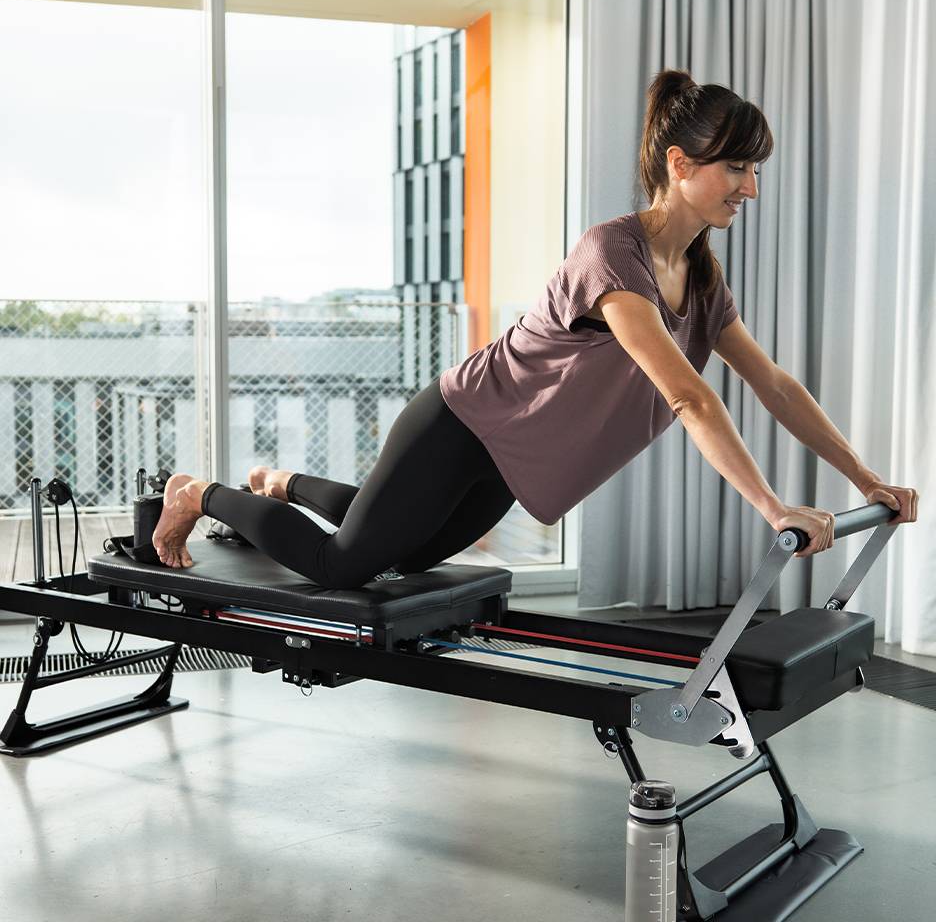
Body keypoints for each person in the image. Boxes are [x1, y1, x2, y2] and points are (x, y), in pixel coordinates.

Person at [152, 69, 918, 585]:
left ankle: (280, 482)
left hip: (513, 462)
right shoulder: (612, 254)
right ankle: (201, 492)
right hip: (462, 422)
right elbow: (688, 396)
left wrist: (865, 478)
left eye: (757, 171)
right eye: (738, 168)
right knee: (348, 565)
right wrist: (774, 507)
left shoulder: (703, 275)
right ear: (682, 164)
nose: (751, 187)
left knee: (405, 552)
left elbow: (775, 386)